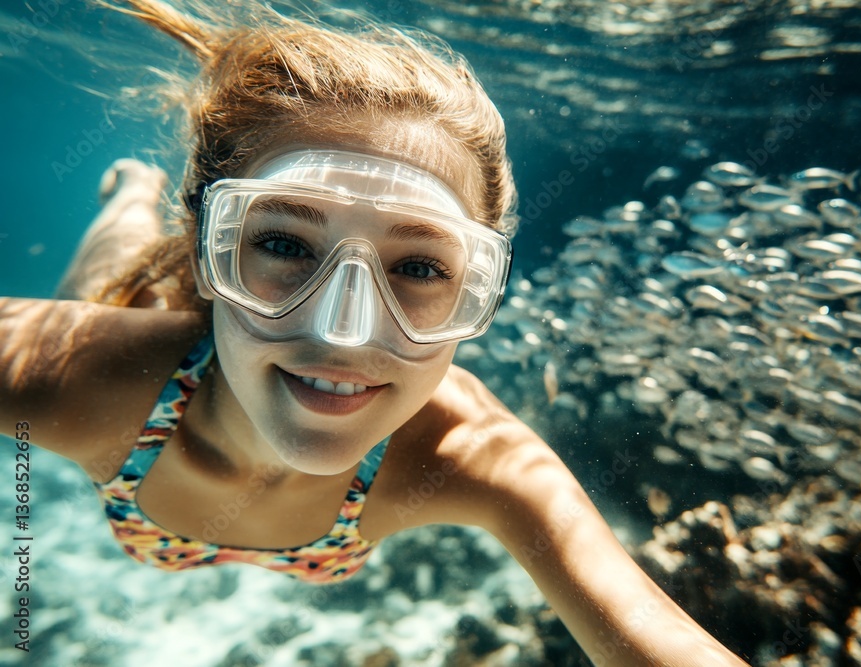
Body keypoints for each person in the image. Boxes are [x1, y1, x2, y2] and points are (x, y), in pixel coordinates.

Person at [1, 1, 747, 664]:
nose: (345, 333)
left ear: (477, 288)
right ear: (209, 248)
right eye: (287, 245)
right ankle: (136, 196)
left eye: (420, 266)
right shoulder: (76, 374)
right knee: (116, 275)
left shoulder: (473, 456)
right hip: (141, 324)